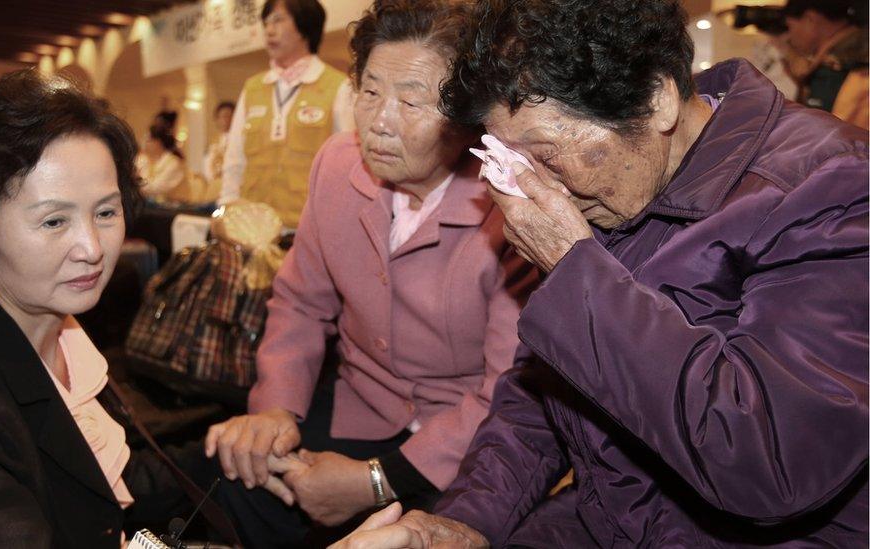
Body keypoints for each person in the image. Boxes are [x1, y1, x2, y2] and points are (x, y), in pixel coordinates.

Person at [334, 0, 869, 547]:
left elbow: (771, 463)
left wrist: (574, 272)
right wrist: (464, 523)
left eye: (545, 152)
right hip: (614, 516)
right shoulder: (612, 187)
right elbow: (540, 396)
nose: (536, 188)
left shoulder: (832, 187)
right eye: (507, 159)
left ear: (656, 98)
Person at [202, 1, 538, 546]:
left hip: (463, 439)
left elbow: (509, 389)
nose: (380, 121)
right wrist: (276, 407)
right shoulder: (338, 165)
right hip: (361, 404)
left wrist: (374, 481)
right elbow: (301, 302)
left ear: (469, 112)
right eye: (370, 91)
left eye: (411, 100)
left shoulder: (511, 202)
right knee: (239, 480)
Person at [0, 70, 223, 548]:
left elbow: (116, 484)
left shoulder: (63, 339)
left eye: (106, 213)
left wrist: (228, 451)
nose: (91, 247)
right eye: (54, 221)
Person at [218, 0, 355, 229]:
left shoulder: (338, 87)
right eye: (266, 23)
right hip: (252, 229)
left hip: (308, 229)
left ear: (304, 27)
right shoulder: (253, 88)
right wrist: (227, 208)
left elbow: (349, 165)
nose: (269, 30)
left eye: (278, 20)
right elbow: (235, 158)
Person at [781, 0, 868, 128]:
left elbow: (817, 134)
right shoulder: (856, 54)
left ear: (810, 19)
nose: (789, 37)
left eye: (790, 27)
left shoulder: (836, 67)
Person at [136, 124, 187, 202]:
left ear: (158, 142)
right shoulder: (143, 159)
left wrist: (133, 181)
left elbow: (156, 188)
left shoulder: (173, 163)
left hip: (172, 208)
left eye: (148, 140)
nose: (144, 143)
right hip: (151, 207)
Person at [203, 101, 235, 183]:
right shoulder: (214, 142)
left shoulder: (240, 140)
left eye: (227, 116)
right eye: (220, 117)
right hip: (214, 184)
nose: (224, 120)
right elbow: (207, 164)